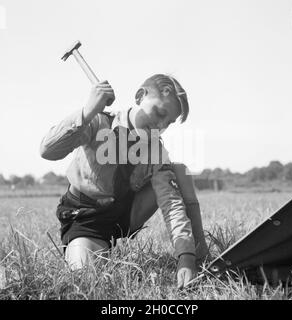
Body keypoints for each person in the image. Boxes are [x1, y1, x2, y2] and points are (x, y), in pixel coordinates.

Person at [40, 74, 209, 289]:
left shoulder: (156, 149)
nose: (160, 125)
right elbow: (48, 150)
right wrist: (87, 111)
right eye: (159, 113)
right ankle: (92, 247)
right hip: (87, 219)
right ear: (140, 96)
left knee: (179, 171)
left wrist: (186, 257)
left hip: (125, 214)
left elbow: (170, 202)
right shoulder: (99, 122)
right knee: (85, 279)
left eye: (168, 123)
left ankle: (200, 250)